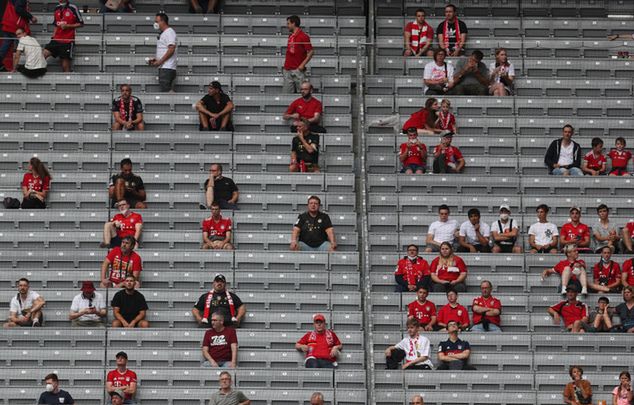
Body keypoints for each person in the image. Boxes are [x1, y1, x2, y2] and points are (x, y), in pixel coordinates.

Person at [42, 0, 83, 73]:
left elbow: (81, 23)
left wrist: (68, 26)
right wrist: (53, 37)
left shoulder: (73, 8)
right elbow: (56, 25)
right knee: (42, 55)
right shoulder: (56, 8)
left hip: (67, 41)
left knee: (65, 66)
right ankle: (38, 74)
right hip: (56, 39)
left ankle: (67, 82)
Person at [0, 0, 38, 70]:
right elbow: (18, 9)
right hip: (16, 26)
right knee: (18, 49)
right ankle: (15, 69)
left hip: (8, 24)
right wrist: (31, 17)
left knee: (5, 47)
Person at [283, 15, 313, 93]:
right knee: (286, 94)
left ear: (294, 24)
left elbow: (311, 52)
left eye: (288, 23)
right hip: (287, 70)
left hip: (298, 70)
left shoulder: (304, 36)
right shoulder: (290, 36)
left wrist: (302, 65)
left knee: (302, 93)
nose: (287, 26)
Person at [149, 12, 177, 92]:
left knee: (167, 91)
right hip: (164, 67)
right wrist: (156, 60)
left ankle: (176, 103)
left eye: (157, 21)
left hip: (167, 67)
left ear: (163, 21)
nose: (155, 23)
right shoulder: (164, 33)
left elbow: (171, 49)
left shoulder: (169, 32)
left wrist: (160, 61)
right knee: (166, 90)